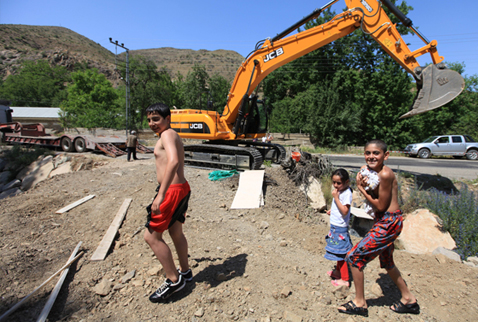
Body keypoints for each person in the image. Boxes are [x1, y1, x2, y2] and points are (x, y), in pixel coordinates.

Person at [338, 139, 419, 317]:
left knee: (354, 257)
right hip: (385, 220)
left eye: (376, 153)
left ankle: (360, 303)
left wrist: (361, 188)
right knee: (387, 261)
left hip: (389, 222)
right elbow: (379, 200)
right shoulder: (372, 172)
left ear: (386, 155)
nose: (371, 156)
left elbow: (381, 206)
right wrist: (367, 185)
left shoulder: (385, 174)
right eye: (368, 153)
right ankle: (408, 300)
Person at [143, 102, 192, 302]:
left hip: (171, 191)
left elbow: (173, 162)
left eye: (156, 119)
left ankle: (174, 280)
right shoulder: (170, 134)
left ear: (167, 119)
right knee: (176, 232)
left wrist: (161, 195)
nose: (152, 123)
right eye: (149, 120)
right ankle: (185, 272)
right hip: (180, 188)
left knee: (151, 237)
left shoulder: (167, 134)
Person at [325, 168, 353, 287]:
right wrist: (333, 210)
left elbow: (345, 211)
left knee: (341, 254)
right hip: (335, 226)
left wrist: (336, 198)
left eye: (339, 183)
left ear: (346, 182)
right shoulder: (340, 191)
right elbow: (339, 208)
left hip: (340, 228)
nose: (336, 185)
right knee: (337, 252)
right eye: (334, 182)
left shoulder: (346, 193)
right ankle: (337, 272)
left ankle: (345, 279)